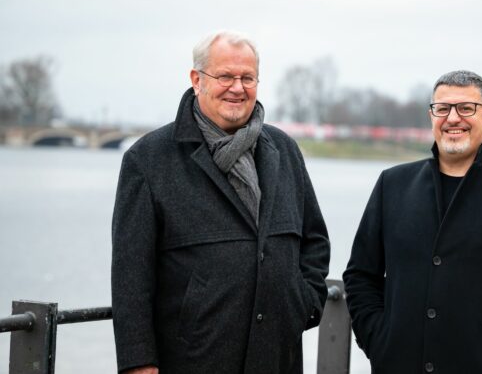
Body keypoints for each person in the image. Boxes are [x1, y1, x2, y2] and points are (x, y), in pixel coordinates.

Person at [111, 30, 330, 374]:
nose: (237, 87)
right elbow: (130, 275)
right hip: (193, 359)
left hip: (276, 356)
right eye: (225, 76)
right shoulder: (149, 159)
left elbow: (314, 241)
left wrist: (301, 306)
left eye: (247, 77)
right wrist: (139, 362)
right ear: (197, 80)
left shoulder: (284, 150)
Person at [343, 70, 482, 374]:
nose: (453, 118)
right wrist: (376, 338)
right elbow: (360, 275)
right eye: (443, 108)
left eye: (466, 108)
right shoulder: (392, 185)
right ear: (431, 116)